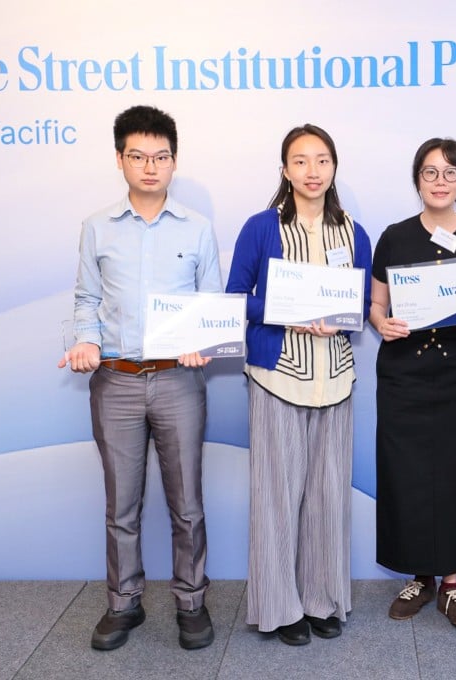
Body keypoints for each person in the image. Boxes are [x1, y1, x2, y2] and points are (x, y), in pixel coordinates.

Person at [58, 105, 220, 651]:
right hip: (117, 381)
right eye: (138, 156)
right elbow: (86, 300)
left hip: (180, 383)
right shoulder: (95, 227)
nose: (150, 167)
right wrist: (84, 341)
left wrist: (206, 342)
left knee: (187, 504)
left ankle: (191, 603)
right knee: (121, 506)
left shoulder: (198, 229)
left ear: (174, 162)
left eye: (161, 157)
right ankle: (123, 603)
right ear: (120, 160)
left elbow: (211, 305)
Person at [226, 124, 371, 646]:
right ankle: (282, 608)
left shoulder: (353, 232)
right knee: (276, 498)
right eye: (301, 161)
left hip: (334, 380)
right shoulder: (261, 227)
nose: (313, 171)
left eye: (323, 160)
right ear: (285, 169)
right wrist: (288, 312)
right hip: (276, 378)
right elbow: (236, 297)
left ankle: (321, 600)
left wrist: (338, 316)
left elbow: (357, 308)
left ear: (334, 168)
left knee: (329, 498)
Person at [369, 137, 456, 628]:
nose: (440, 182)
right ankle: (418, 576)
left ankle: (452, 583)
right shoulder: (394, 237)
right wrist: (381, 323)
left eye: (450, 173)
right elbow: (376, 305)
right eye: (430, 172)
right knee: (405, 474)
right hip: (404, 374)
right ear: (417, 180)